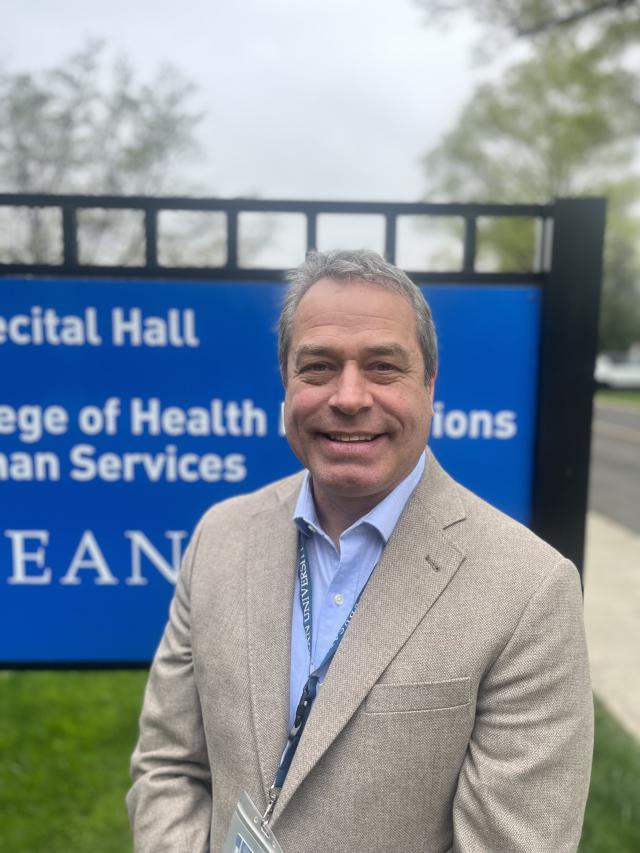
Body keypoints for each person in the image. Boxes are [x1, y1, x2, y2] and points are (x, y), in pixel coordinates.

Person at [127, 249, 593, 853]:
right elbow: (168, 767)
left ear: (430, 386)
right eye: (317, 367)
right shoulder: (220, 538)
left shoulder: (528, 590)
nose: (348, 397)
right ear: (285, 384)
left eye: (383, 368)